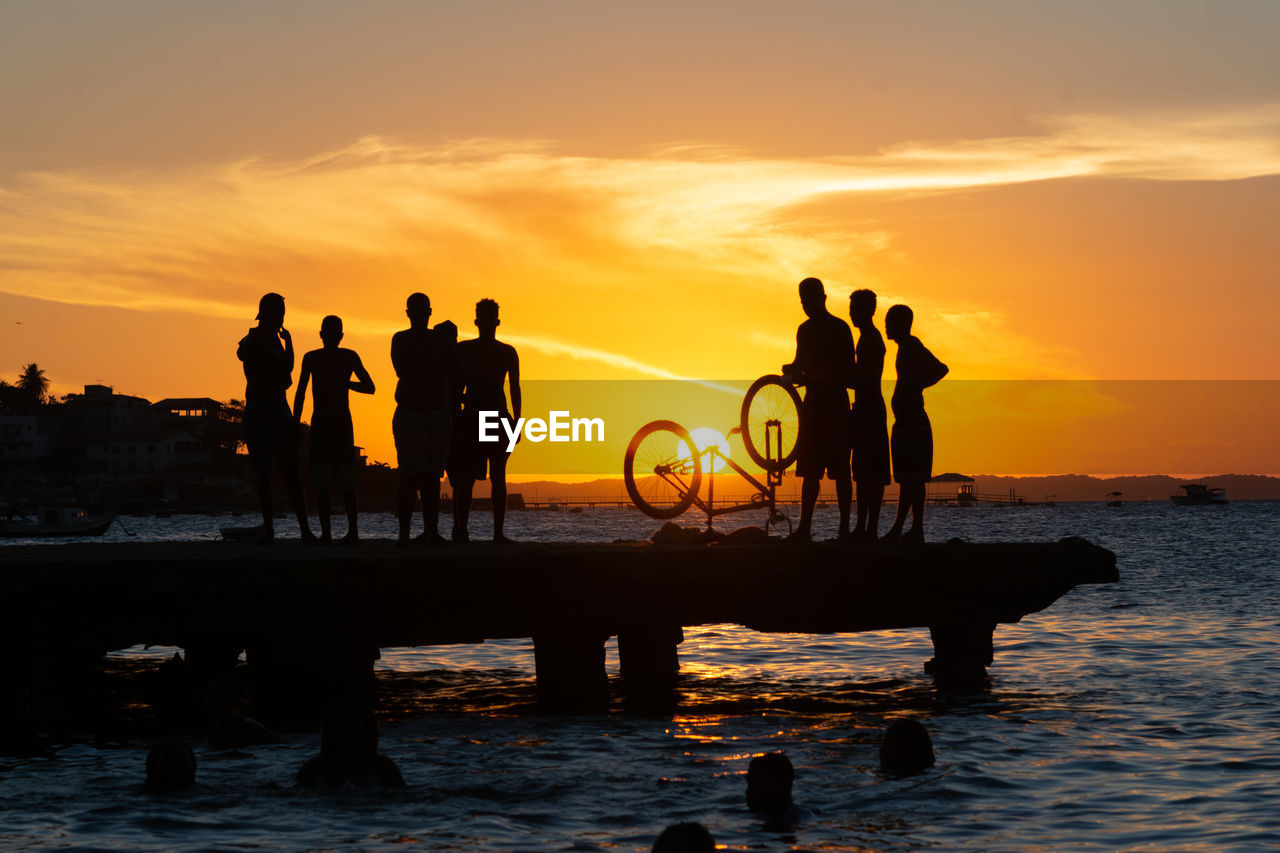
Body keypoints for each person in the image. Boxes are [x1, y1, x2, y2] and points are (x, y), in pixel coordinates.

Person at [781, 278, 855, 542]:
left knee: (840, 471)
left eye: (810, 300)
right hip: (812, 407)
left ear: (823, 298)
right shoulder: (805, 330)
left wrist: (811, 376)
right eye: (803, 301)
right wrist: (792, 371)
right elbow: (800, 363)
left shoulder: (839, 328)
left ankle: (844, 529)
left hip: (834, 405)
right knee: (810, 472)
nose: (806, 306)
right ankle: (805, 528)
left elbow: (849, 370)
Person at [236, 292, 313, 543]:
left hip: (272, 406)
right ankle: (278, 530)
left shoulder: (262, 339)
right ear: (269, 314)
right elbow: (287, 368)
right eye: (279, 312)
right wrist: (289, 343)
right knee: (271, 471)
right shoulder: (257, 339)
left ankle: (297, 530)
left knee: (286, 470)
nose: (282, 317)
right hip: (264, 407)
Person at [293, 316, 375, 543]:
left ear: (322, 334)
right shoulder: (345, 356)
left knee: (329, 481)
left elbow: (300, 392)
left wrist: (295, 422)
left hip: (327, 422)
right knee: (337, 480)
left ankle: (334, 533)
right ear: (340, 335)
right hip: (335, 422)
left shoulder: (314, 357)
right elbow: (369, 387)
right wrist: (346, 382)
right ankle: (349, 532)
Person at [390, 293, 464, 547]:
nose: (420, 314)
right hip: (411, 412)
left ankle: (431, 532)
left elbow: (457, 371)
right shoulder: (401, 339)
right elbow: (403, 369)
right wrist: (434, 368)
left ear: (429, 312)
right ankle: (404, 535)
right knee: (409, 475)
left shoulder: (440, 340)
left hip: (437, 412)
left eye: (423, 310)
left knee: (432, 475)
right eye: (415, 310)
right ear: (408, 313)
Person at [451, 299, 521, 544]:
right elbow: (453, 383)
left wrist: (517, 421)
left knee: (498, 475)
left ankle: (497, 534)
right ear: (476, 321)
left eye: (491, 318)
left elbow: (515, 388)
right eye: (484, 318)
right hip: (471, 415)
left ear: (497, 322)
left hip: (496, 416)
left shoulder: (507, 352)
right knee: (466, 478)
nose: (488, 323)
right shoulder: (464, 350)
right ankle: (461, 531)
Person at [883, 305, 948, 543]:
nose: (886, 326)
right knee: (907, 479)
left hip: (914, 423)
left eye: (890, 321)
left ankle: (911, 529)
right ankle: (904, 529)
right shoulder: (904, 348)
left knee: (915, 478)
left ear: (902, 324)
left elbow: (941, 369)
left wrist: (919, 385)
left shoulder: (911, 345)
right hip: (905, 423)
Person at [849, 289, 891, 542]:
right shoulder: (866, 339)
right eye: (851, 308)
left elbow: (862, 379)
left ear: (868, 310)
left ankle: (869, 529)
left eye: (856, 308)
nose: (852, 313)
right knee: (863, 472)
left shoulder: (871, 340)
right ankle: (863, 528)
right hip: (866, 406)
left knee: (871, 473)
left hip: (870, 408)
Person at [296, 696, 405, 788]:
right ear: (330, 733)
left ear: (368, 733)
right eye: (343, 730)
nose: (349, 737)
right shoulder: (313, 770)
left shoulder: (384, 769)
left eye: (355, 730)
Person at [745, 751, 813, 830]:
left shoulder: (805, 822)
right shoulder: (758, 820)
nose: (747, 792)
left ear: (778, 786)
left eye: (756, 785)